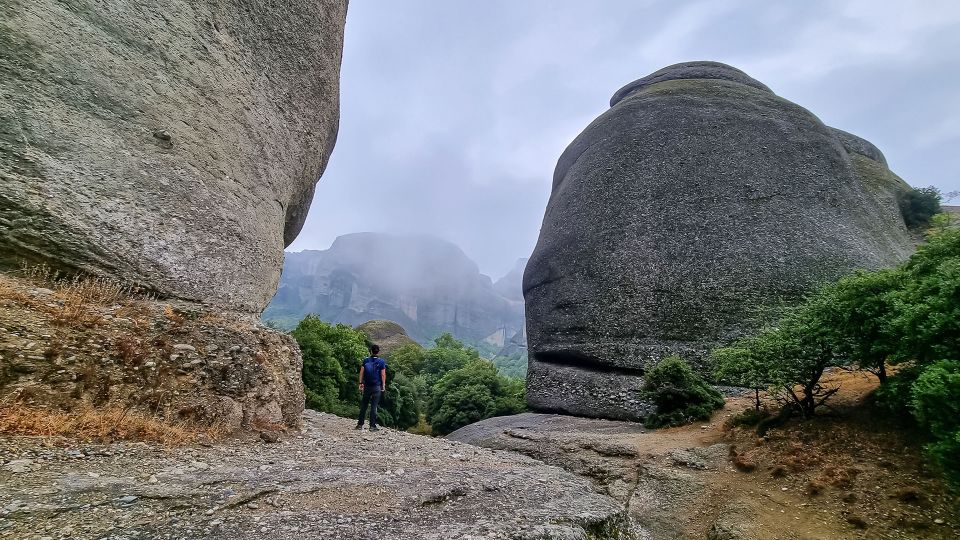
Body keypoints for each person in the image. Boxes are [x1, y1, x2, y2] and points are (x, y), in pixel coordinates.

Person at [356, 344, 387, 431]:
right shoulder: (381, 362)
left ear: (371, 351)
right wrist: (383, 385)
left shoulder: (366, 360)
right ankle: (372, 426)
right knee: (374, 406)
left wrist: (361, 383)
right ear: (378, 351)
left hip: (367, 386)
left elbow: (362, 372)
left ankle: (359, 425)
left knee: (364, 405)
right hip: (376, 387)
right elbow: (383, 374)